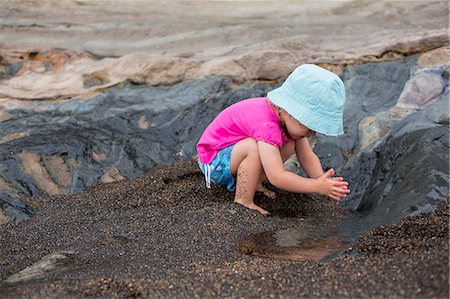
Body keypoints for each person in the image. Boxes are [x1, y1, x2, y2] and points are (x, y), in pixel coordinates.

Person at [196, 64, 350, 215]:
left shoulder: (287, 121)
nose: (312, 134)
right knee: (252, 148)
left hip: (235, 154)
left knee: (289, 144)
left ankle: (254, 182)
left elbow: (306, 156)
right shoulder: (267, 125)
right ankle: (243, 200)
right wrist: (316, 186)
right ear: (287, 111)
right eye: (309, 126)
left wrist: (321, 179)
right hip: (214, 161)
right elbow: (277, 177)